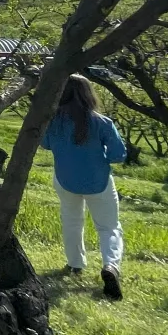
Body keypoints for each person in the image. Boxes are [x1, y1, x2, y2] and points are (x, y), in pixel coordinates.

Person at [42, 74, 127, 299]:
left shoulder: (53, 121)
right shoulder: (102, 123)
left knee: (71, 221)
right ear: (88, 93)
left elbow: (46, 144)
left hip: (65, 179)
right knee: (108, 227)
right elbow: (119, 155)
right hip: (98, 181)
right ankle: (111, 266)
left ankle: (75, 264)